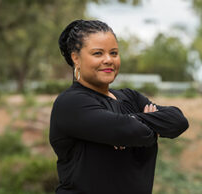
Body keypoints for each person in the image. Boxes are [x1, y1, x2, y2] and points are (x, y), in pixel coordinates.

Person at [49, 19, 189, 194]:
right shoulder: (70, 103)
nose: (108, 60)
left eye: (114, 53)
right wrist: (149, 125)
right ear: (75, 58)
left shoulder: (130, 97)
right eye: (98, 53)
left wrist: (129, 123)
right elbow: (132, 131)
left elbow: (177, 121)